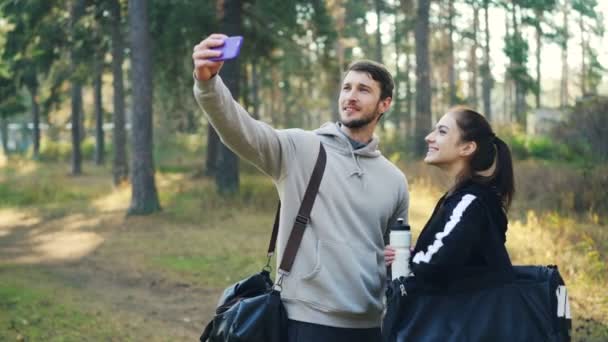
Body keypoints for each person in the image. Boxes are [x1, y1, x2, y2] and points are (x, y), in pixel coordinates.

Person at [193, 34, 409, 341]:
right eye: (347, 87)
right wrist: (209, 83)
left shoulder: (395, 180)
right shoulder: (301, 148)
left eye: (363, 89)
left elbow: (398, 260)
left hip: (370, 326)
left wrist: (404, 266)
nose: (350, 96)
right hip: (304, 319)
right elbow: (241, 131)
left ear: (384, 104)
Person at [385, 106, 514, 287]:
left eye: (442, 132)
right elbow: (454, 258)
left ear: (467, 147)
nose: (429, 137)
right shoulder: (465, 197)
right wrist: (411, 255)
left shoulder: (471, 201)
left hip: (466, 314)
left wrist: (407, 260)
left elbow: (432, 265)